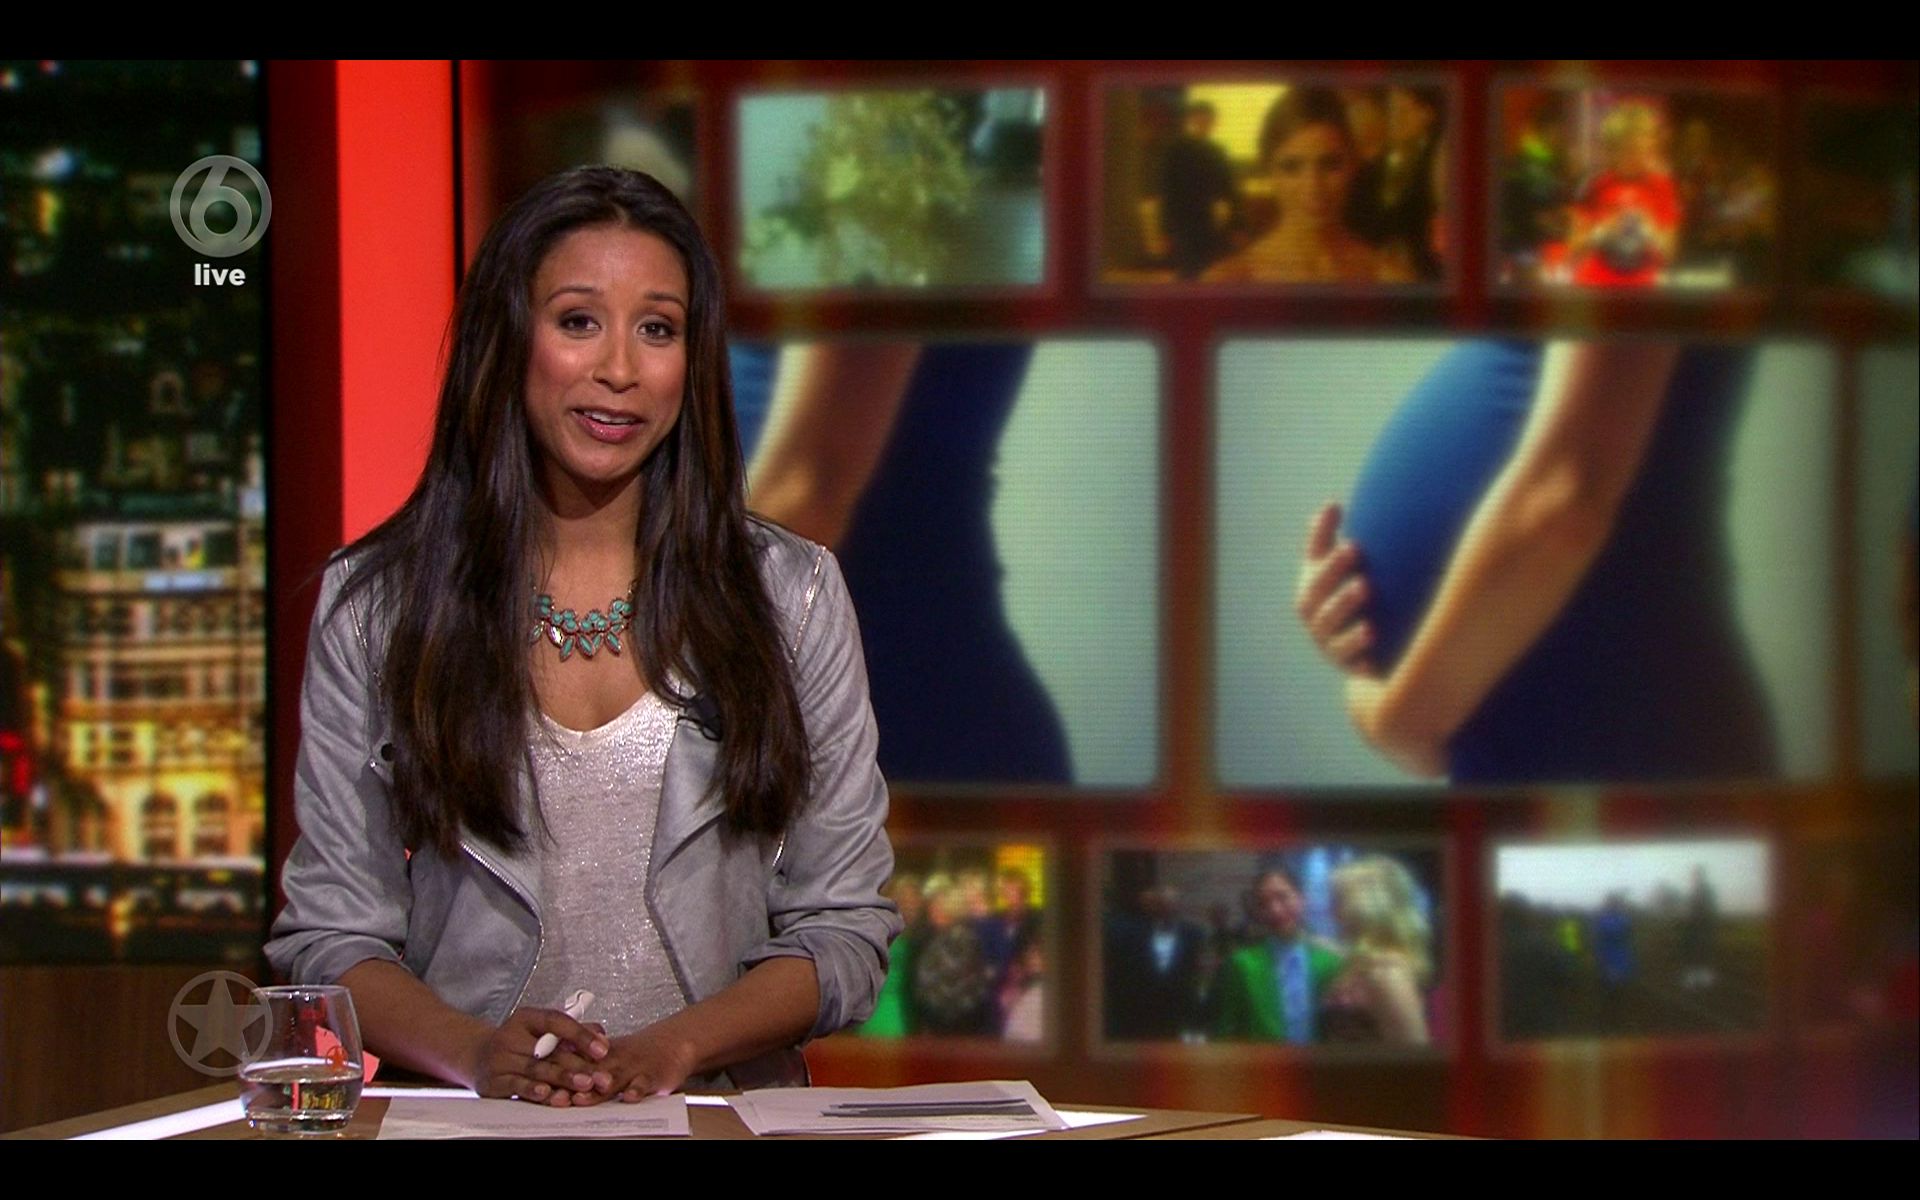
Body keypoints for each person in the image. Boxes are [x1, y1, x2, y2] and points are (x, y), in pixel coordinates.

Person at [265, 167, 901, 1106]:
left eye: (658, 329)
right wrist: (477, 1054)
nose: (620, 370)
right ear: (508, 338)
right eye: (578, 321)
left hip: (711, 1113)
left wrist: (674, 1048)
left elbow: (845, 930)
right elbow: (330, 936)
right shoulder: (379, 605)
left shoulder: (790, 595)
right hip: (471, 1120)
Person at [1294, 340, 1775, 784]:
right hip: (1560, 727)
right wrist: (1358, 624)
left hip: (1611, 720)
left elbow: (1565, 497)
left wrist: (1398, 722)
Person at [1203, 87, 1406, 285]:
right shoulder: (1230, 281)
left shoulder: (1387, 278)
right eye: (1291, 167)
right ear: (1269, 172)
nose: (1313, 186)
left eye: (1330, 165)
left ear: (1353, 166)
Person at [1211, 865, 1345, 1043]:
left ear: (1302, 898)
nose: (1275, 910)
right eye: (1263, 903)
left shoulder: (1330, 961)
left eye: (1282, 897)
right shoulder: (1242, 964)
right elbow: (1227, 1030)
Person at [1318, 855, 1433, 1044]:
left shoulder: (1388, 973)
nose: (1331, 912)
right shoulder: (1362, 962)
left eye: (1338, 902)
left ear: (1364, 908)